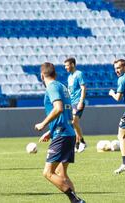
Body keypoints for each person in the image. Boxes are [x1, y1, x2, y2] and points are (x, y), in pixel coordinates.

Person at [35, 62, 85, 203]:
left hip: (62, 134)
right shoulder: (62, 87)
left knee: (48, 172)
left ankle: (76, 200)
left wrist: (43, 124)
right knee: (61, 173)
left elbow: (59, 108)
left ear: (41, 76)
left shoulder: (52, 87)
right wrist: (50, 132)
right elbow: (66, 113)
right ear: (55, 74)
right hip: (68, 133)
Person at [64, 57, 87, 153]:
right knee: (74, 124)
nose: (65, 67)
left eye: (67, 65)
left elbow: (83, 88)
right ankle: (77, 144)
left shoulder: (79, 74)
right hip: (71, 102)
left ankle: (82, 141)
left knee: (74, 122)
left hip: (78, 101)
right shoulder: (69, 77)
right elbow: (69, 90)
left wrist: (81, 101)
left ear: (72, 64)